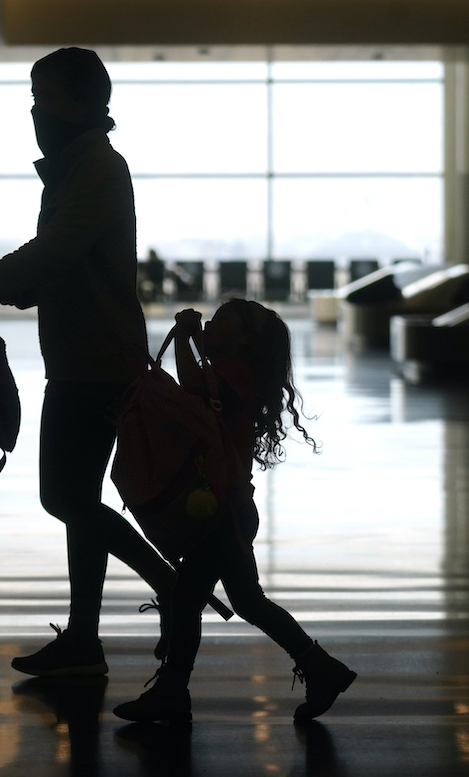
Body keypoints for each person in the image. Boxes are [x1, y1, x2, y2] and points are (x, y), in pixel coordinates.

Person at [0, 47, 176, 677]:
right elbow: (54, 272)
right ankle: (85, 640)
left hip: (97, 365)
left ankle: (172, 589)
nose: (36, 111)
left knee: (63, 496)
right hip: (83, 359)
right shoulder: (77, 170)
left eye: (45, 98)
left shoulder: (95, 169)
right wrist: (2, 285)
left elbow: (54, 255)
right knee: (78, 500)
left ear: (83, 103)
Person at [113, 299, 357, 723]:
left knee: (193, 599)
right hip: (227, 511)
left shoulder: (237, 377)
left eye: (224, 319)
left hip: (224, 514)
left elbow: (190, 385)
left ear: (246, 340)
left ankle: (173, 690)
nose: (212, 321)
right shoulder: (234, 376)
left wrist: (186, 338)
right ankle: (320, 667)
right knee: (243, 600)